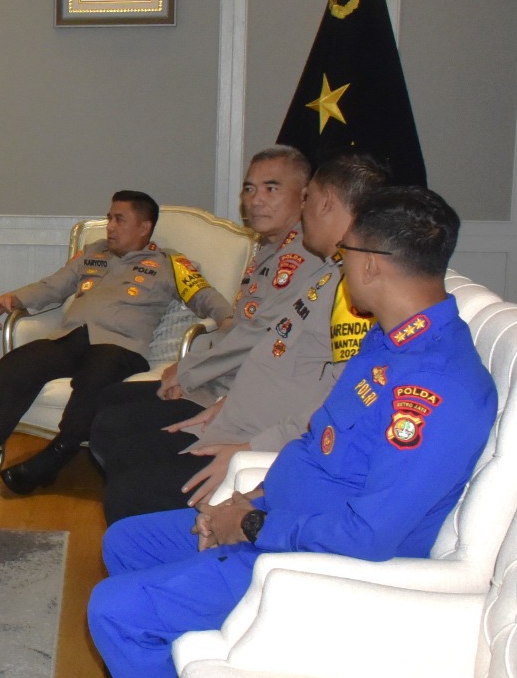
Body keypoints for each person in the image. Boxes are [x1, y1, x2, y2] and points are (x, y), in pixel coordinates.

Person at [87, 186, 497, 678]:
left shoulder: (435, 384)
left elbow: (366, 537)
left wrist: (251, 524)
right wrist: (249, 495)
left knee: (113, 610)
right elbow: (314, 444)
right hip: (277, 520)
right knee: (127, 541)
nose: (341, 263)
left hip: (318, 565)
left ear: (372, 263)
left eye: (348, 251)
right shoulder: (390, 341)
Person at [90, 152, 389, 522]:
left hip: (259, 442)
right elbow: (276, 353)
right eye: (250, 189)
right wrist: (226, 406)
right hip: (233, 415)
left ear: (324, 201)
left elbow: (337, 402)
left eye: (306, 197)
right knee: (122, 451)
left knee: (126, 484)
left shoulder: (353, 290)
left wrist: (247, 449)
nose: (257, 200)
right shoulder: (329, 272)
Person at [0, 191, 234, 503]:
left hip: (119, 347)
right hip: (70, 338)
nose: (110, 226)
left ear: (144, 227)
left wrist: (230, 321)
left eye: (119, 220)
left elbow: (205, 297)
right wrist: (16, 297)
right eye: (110, 218)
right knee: (17, 364)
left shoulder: (170, 264)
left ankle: (57, 454)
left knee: (97, 376)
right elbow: (53, 286)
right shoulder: (92, 253)